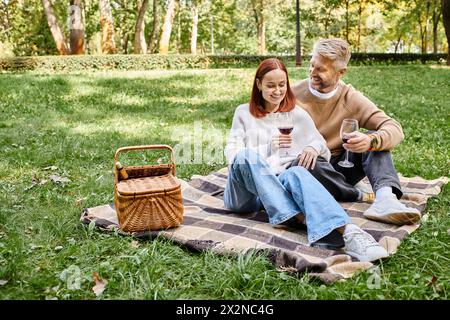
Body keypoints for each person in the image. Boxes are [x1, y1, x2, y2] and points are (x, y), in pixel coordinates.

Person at [223, 58, 388, 262]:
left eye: (282, 85)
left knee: (297, 172)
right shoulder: (243, 113)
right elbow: (232, 155)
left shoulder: (296, 114)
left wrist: (312, 146)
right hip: (245, 195)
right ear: (258, 85)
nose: (277, 91)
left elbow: (319, 142)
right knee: (245, 156)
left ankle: (351, 233)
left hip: (274, 192)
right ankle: (297, 216)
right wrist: (268, 147)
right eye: (271, 85)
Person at [291, 38, 421, 225]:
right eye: (312, 65)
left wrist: (371, 142)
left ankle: (385, 201)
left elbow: (394, 128)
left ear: (341, 72)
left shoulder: (351, 98)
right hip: (310, 167)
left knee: (373, 139)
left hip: (343, 166)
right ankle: (355, 194)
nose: (312, 72)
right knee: (303, 164)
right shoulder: (291, 94)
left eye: (321, 69)